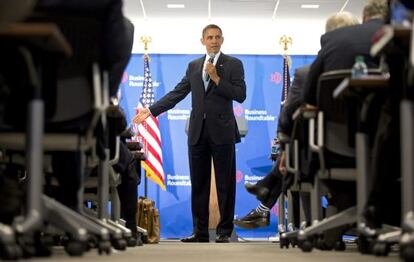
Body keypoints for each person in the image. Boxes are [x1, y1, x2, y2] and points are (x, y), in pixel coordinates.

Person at [234, 11, 360, 229]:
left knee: (295, 156)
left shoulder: (308, 72)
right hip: (375, 151)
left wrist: (283, 143)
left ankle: (270, 205)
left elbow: (289, 115)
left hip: (323, 153)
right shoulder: (380, 68)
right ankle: (266, 205)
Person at [134, 24, 246, 243]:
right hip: (197, 133)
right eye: (209, 37)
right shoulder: (194, 66)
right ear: (202, 41)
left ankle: (224, 232)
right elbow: (178, 93)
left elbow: (240, 95)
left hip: (223, 132)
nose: (214, 41)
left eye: (217, 37)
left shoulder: (234, 64)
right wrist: (151, 110)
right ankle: (200, 232)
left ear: (222, 40)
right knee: (199, 183)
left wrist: (216, 79)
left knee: (225, 184)